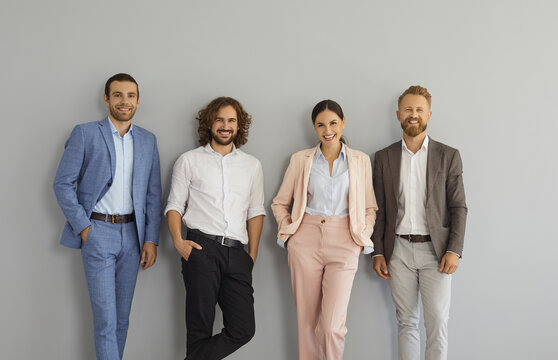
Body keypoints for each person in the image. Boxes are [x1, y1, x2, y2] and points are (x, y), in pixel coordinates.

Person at [53, 73, 162, 360]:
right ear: (106, 99)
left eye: (130, 96)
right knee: (106, 321)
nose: (124, 101)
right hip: (98, 231)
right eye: (117, 95)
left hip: (133, 237)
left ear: (138, 101)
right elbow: (62, 183)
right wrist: (84, 227)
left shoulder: (149, 141)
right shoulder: (85, 133)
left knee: (122, 320)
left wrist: (151, 240)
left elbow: (153, 195)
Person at [271, 100, 377, 360]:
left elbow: (370, 208)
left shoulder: (360, 161)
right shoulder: (300, 159)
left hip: (345, 241)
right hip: (305, 240)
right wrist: (290, 235)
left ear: (343, 123)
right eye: (321, 124)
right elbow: (280, 203)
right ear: (314, 127)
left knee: (331, 327)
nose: (327, 130)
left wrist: (361, 237)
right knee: (307, 323)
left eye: (333, 123)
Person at [371, 85, 467, 360]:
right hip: (398, 251)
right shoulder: (384, 157)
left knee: (437, 322)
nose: (414, 115)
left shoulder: (448, 156)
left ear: (429, 114)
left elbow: (458, 206)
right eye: (409, 110)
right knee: (406, 322)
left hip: (436, 252)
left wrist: (454, 249)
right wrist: (378, 251)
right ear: (399, 114)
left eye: (419, 110)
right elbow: (379, 209)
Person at [165, 97, 265, 360]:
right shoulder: (189, 161)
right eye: (219, 119)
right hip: (201, 248)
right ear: (209, 123)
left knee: (243, 329)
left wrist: (252, 253)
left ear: (238, 125)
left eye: (231, 120)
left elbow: (255, 211)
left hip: (237, 253)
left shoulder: (252, 165)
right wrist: (178, 242)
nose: (225, 125)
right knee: (199, 328)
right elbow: (174, 204)